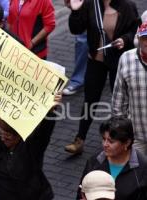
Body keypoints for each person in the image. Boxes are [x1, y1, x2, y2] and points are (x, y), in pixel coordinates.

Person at [64, 0, 139, 154]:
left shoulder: (127, 6)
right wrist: (75, 11)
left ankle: (121, 139)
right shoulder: (91, 4)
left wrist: (124, 39)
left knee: (120, 101)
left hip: (117, 61)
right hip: (95, 60)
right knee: (89, 99)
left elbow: (135, 31)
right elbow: (75, 29)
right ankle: (80, 139)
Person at [0, 115, 56, 200]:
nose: (3, 138)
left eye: (8, 136)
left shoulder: (31, 149)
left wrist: (50, 113)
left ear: (19, 135)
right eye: (0, 133)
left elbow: (44, 132)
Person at [77, 117, 147, 200]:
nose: (105, 144)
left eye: (111, 141)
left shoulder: (143, 168)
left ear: (127, 143)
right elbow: (81, 192)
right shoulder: (94, 162)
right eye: (103, 139)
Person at [112, 22, 147, 155]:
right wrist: (120, 131)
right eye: (145, 38)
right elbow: (119, 99)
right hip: (136, 135)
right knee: (135, 174)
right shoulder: (126, 59)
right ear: (138, 39)